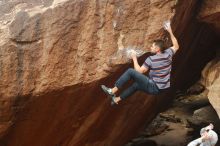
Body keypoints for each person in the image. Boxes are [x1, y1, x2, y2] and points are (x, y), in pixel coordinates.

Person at [101, 20, 179, 105]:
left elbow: (139, 71)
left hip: (154, 87)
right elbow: (176, 46)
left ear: (157, 49)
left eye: (152, 46)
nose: (150, 47)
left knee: (130, 71)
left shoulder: (151, 59)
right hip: (164, 88)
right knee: (136, 85)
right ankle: (116, 99)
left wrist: (134, 58)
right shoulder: (168, 53)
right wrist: (170, 31)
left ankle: (112, 90)